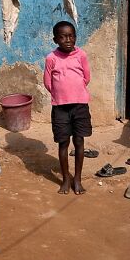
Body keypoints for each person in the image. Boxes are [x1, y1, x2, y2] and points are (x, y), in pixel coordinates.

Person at [44, 21, 92, 195]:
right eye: (63, 36)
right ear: (56, 39)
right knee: (63, 143)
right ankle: (65, 179)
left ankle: (77, 179)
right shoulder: (51, 58)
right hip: (60, 108)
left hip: (80, 106)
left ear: (75, 37)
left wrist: (75, 92)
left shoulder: (81, 55)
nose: (68, 39)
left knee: (79, 141)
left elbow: (86, 77)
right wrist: (62, 94)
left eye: (71, 36)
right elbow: (48, 82)